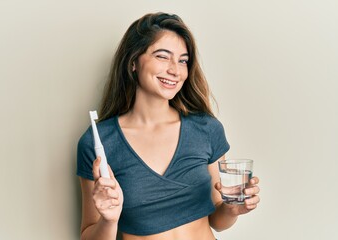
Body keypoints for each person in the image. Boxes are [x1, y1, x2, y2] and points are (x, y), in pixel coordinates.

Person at [76, 12, 260, 240]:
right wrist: (109, 219)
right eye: (163, 57)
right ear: (133, 62)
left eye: (183, 60)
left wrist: (233, 209)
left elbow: (218, 221)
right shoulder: (99, 143)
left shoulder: (206, 128)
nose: (176, 70)